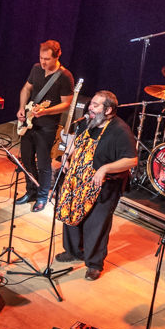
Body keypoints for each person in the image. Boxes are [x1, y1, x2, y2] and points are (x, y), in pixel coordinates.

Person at [54, 90, 137, 281]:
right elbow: (76, 141)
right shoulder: (88, 121)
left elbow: (131, 160)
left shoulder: (120, 130)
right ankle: (73, 251)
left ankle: (94, 264)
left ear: (108, 110)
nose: (90, 107)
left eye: (95, 105)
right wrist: (67, 155)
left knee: (96, 225)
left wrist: (105, 168)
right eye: (91, 103)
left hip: (104, 186)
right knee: (70, 211)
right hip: (78, 179)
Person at [15, 40, 76, 211]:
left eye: (47, 59)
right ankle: (31, 191)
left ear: (57, 56)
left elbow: (66, 104)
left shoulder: (65, 77)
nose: (43, 62)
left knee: (43, 164)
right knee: (26, 160)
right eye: (41, 58)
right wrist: (21, 108)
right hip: (29, 122)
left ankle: (42, 196)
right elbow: (26, 89)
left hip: (47, 126)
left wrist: (46, 112)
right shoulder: (36, 69)